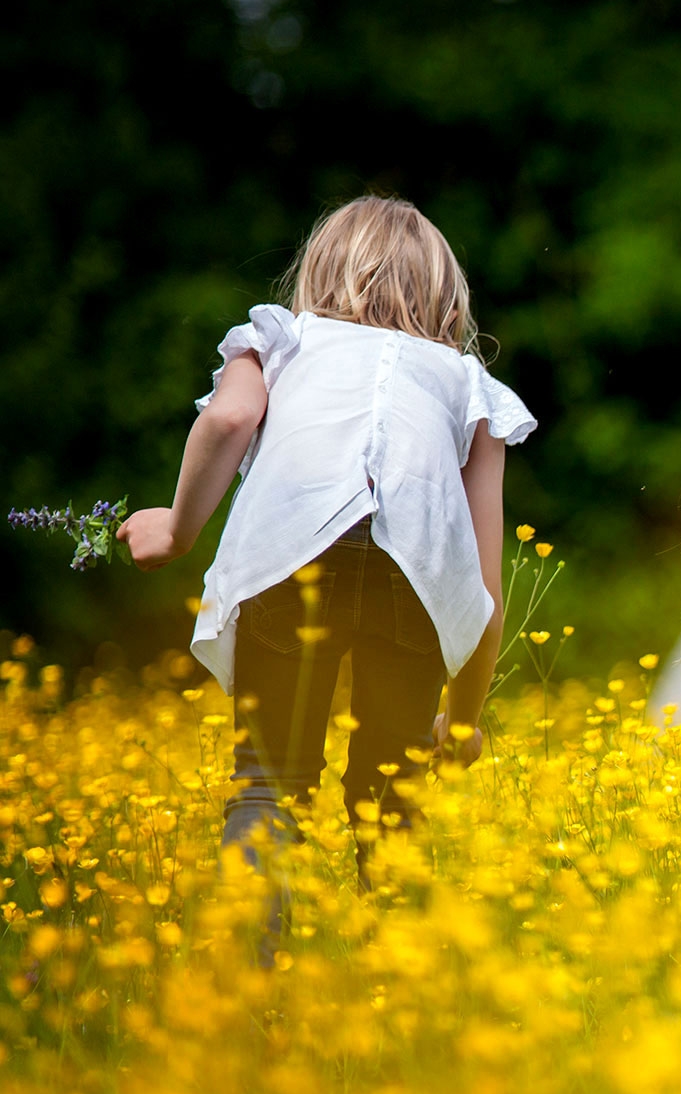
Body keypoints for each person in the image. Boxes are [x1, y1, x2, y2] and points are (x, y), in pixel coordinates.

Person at [118, 195, 535, 938]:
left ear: (319, 270)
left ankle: (244, 992)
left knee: (269, 786)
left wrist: (176, 531)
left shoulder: (278, 339)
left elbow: (229, 418)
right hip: (414, 581)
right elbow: (481, 584)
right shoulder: (467, 384)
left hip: (292, 560)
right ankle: (391, 999)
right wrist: (464, 723)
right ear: (446, 295)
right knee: (390, 799)